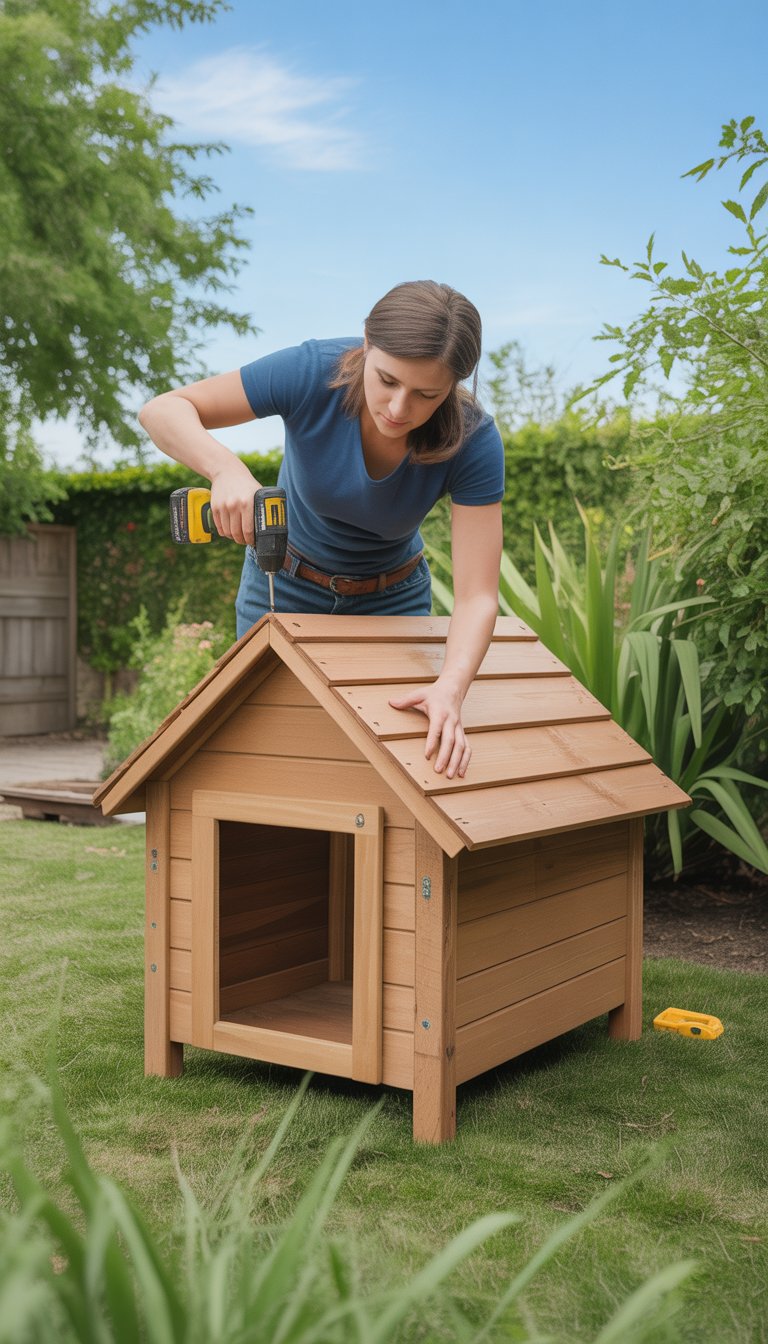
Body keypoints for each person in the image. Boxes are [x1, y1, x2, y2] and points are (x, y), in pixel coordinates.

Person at [138, 280, 504, 780]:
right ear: (366, 346)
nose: (399, 409)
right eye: (388, 381)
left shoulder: (473, 439)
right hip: (281, 583)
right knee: (267, 755)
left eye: (427, 394)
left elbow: (478, 595)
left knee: (380, 769)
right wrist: (224, 468)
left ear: (455, 387)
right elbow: (162, 410)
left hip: (390, 603)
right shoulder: (313, 372)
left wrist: (450, 687)